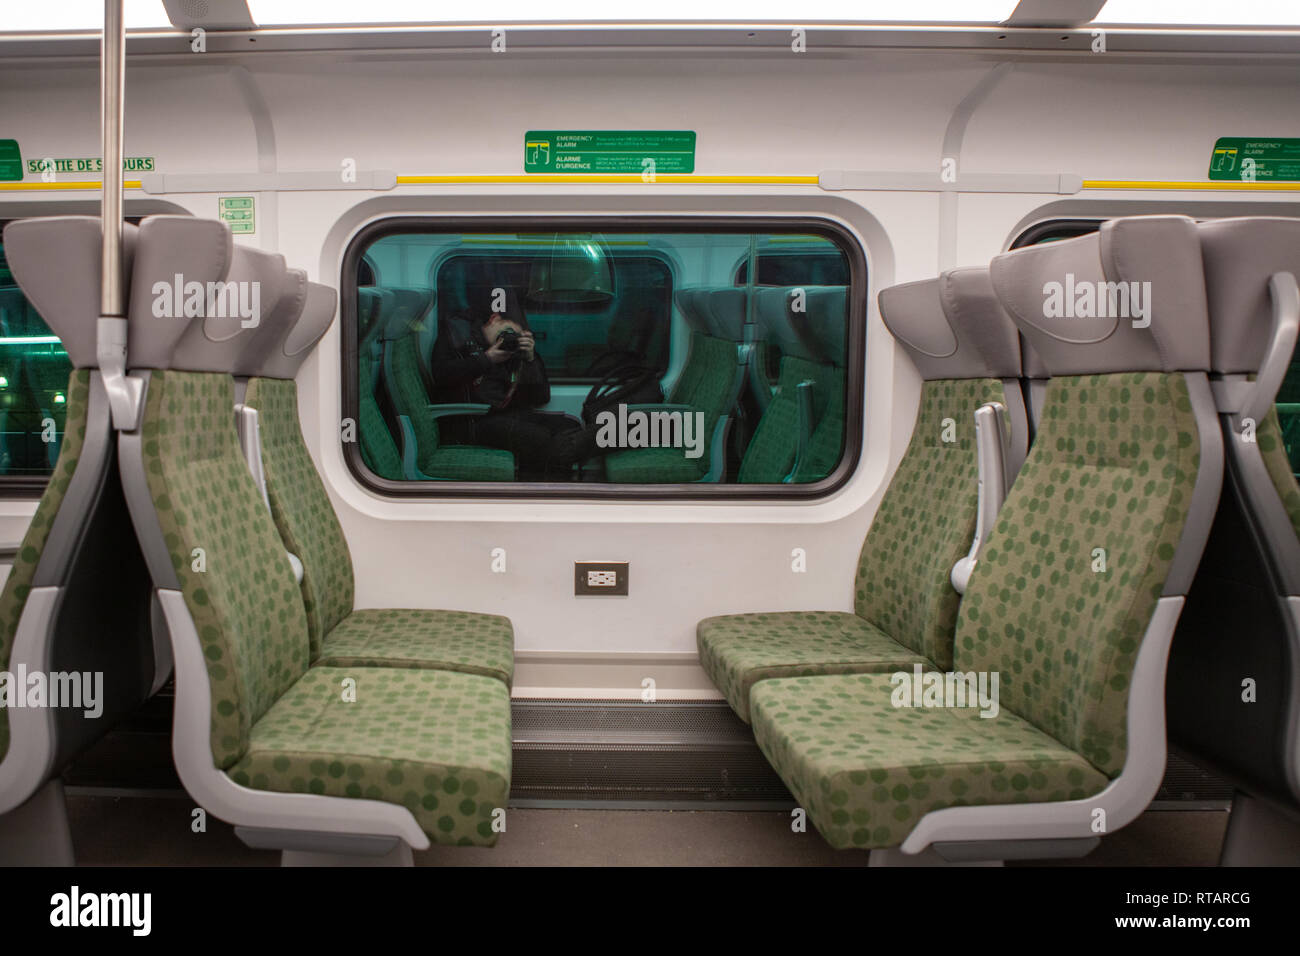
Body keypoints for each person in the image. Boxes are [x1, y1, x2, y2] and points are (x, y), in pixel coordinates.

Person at [430, 289, 584, 481]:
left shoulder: (512, 353)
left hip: (502, 415)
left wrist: (530, 359)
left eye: (516, 336)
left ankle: (560, 490)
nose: (509, 340)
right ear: (494, 319)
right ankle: (538, 492)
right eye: (507, 332)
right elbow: (441, 375)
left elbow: (541, 397)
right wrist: (487, 359)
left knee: (570, 427)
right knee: (537, 438)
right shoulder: (457, 336)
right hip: (467, 420)